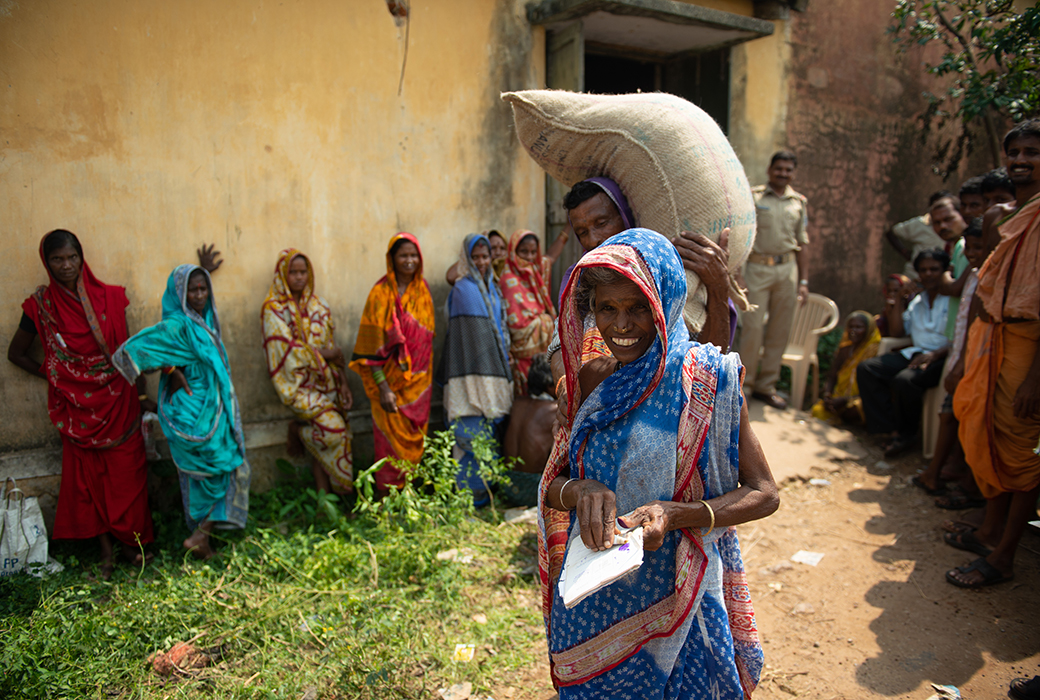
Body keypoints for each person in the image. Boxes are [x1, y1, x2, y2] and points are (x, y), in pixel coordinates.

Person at [538, 228, 778, 698]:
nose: (622, 325)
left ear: (665, 302)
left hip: (680, 592)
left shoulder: (709, 382)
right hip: (597, 595)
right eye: (608, 308)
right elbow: (553, 482)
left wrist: (675, 514)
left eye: (638, 308)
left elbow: (764, 493)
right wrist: (580, 491)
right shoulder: (594, 379)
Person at [7, 229, 154, 579]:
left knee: (127, 477)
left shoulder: (111, 298)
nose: (66, 265)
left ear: (81, 256)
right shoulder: (40, 307)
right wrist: (59, 376)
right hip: (78, 412)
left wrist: (145, 395)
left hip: (120, 402)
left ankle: (132, 547)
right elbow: (16, 353)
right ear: (47, 262)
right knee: (89, 483)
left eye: (72, 257)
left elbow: (129, 352)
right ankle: (105, 553)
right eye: (57, 259)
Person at [947, 119, 1040, 588]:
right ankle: (988, 529)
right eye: (1015, 153)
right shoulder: (1003, 214)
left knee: (1020, 450)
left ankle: (1004, 555)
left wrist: (1034, 378)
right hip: (992, 336)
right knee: (981, 427)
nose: (1021, 161)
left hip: (1029, 345)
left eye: (1032, 152)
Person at [112, 261, 250, 560]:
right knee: (219, 468)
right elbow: (135, 351)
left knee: (220, 470)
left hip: (212, 408)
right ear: (180, 294)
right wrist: (169, 370)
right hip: (191, 411)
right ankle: (200, 536)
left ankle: (203, 537)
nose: (199, 296)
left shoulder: (205, 320)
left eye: (203, 289)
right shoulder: (177, 324)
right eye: (192, 290)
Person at [261, 249, 354, 494]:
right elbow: (285, 350)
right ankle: (300, 431)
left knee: (324, 442)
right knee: (335, 433)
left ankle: (326, 503)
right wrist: (325, 354)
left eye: (303, 272)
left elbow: (333, 348)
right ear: (283, 274)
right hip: (297, 387)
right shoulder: (273, 309)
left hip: (328, 383)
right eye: (293, 272)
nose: (299, 277)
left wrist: (343, 382)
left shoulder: (319, 305)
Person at [349, 233, 435, 494]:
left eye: (413, 255)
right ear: (392, 259)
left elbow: (426, 342)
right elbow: (369, 347)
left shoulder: (423, 292)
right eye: (403, 255)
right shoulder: (379, 294)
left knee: (415, 441)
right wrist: (383, 387)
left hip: (419, 387)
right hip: (388, 386)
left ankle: (407, 498)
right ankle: (386, 501)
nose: (409, 260)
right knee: (387, 445)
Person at [914, 221, 988, 499]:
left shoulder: (985, 277)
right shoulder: (974, 275)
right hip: (959, 354)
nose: (971, 253)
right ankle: (941, 471)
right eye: (968, 248)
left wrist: (954, 361)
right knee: (951, 413)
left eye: (978, 247)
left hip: (971, 358)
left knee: (958, 416)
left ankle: (963, 480)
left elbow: (974, 324)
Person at [440, 233, 513, 507]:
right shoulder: (463, 288)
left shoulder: (492, 286)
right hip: (468, 373)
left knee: (488, 433)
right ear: (466, 259)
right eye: (476, 257)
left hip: (492, 370)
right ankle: (467, 499)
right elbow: (471, 335)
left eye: (485, 256)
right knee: (470, 430)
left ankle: (485, 495)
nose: (482, 262)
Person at [857, 249, 951, 458]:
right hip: (914, 353)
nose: (929, 274)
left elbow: (958, 339)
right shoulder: (918, 301)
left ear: (945, 271)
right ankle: (889, 429)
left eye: (934, 269)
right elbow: (898, 332)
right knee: (868, 369)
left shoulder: (952, 300)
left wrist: (934, 355)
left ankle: (907, 435)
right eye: (923, 270)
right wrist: (900, 298)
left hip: (942, 357)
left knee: (905, 381)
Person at [739, 150, 810, 410]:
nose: (783, 173)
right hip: (757, 269)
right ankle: (744, 387)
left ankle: (766, 386)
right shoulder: (755, 198)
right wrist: (739, 274)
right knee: (753, 329)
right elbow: (744, 236)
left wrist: (804, 281)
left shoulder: (798, 202)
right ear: (770, 170)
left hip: (787, 269)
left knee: (780, 330)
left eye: (788, 170)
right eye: (778, 168)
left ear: (793, 173)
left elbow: (803, 243)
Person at [500, 229, 563, 395]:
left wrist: (566, 229)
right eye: (523, 252)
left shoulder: (534, 271)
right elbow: (518, 328)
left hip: (542, 356)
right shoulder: (508, 279)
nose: (529, 257)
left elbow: (551, 258)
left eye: (533, 252)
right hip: (523, 359)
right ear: (513, 251)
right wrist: (547, 321)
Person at [500, 356, 555, 507]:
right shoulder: (554, 410)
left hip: (506, 483)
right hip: (534, 489)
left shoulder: (518, 403)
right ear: (549, 383)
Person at [810, 311, 881, 425]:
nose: (853, 331)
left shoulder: (873, 352)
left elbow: (873, 389)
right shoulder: (844, 350)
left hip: (858, 398)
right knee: (818, 411)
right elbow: (832, 375)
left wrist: (846, 400)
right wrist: (827, 395)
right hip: (839, 396)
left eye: (859, 327)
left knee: (857, 408)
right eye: (851, 327)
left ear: (868, 330)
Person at [884, 191, 949, 280]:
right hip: (915, 278)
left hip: (940, 280)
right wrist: (904, 252)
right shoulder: (920, 224)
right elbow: (892, 232)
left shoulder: (952, 227)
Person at [444, 229, 510, 284]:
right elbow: (450, 277)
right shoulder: (479, 269)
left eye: (502, 248)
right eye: (493, 248)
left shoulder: (510, 272)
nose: (498, 253)